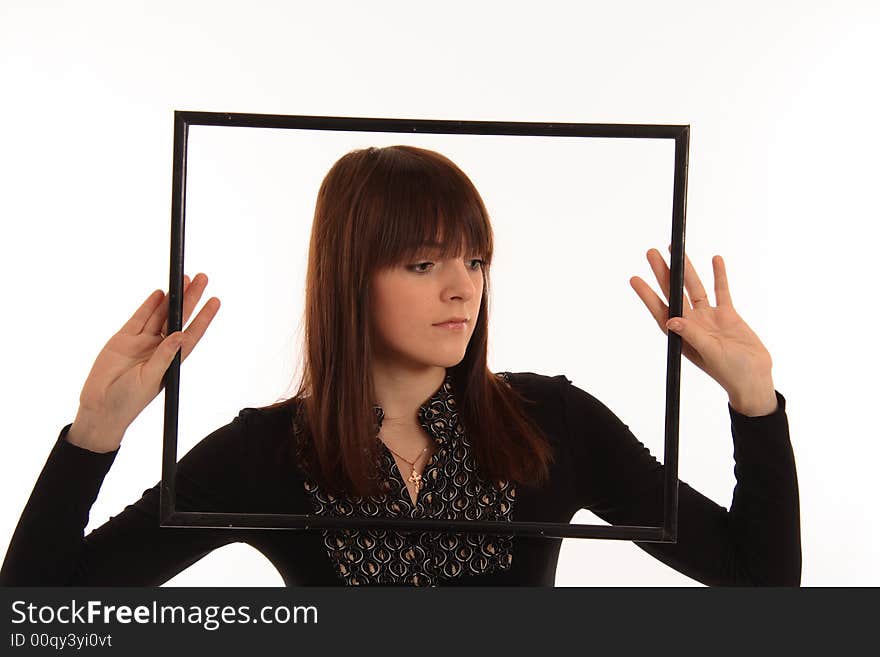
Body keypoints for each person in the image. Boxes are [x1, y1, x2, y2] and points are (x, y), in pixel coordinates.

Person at [0, 145, 800, 587]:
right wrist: (93, 436)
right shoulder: (265, 453)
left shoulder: (552, 421)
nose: (464, 287)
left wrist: (755, 405)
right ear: (352, 274)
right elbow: (38, 617)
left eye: (476, 260)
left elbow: (761, 589)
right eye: (423, 263)